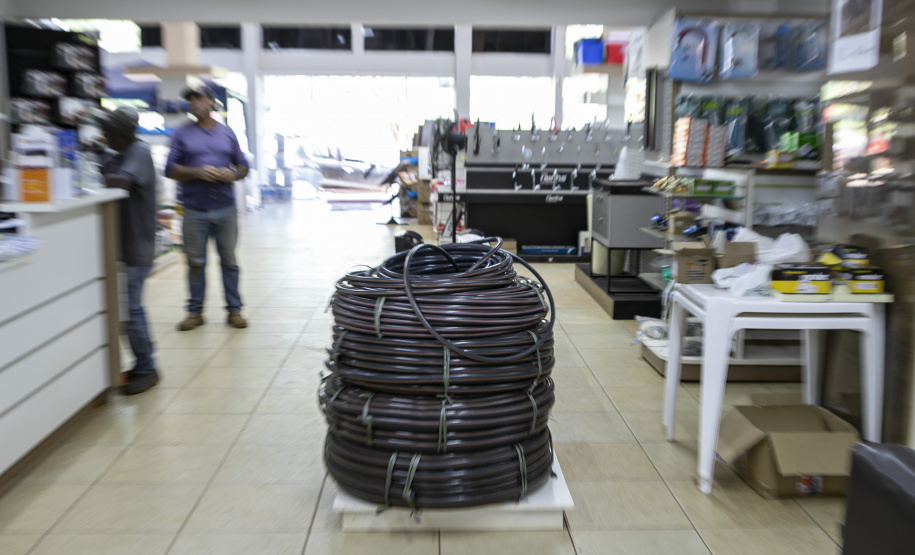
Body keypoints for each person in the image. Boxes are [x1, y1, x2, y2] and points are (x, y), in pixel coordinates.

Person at [166, 85, 249, 331]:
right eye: (190, 99)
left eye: (198, 98)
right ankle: (195, 312)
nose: (194, 103)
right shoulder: (182, 134)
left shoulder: (227, 133)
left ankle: (234, 311)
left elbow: (243, 166)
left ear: (212, 102)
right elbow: (170, 169)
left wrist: (232, 175)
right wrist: (196, 171)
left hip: (225, 208)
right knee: (195, 262)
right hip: (194, 209)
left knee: (229, 261)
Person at [101, 107, 159, 395]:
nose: (104, 137)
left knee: (131, 310)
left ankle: (147, 368)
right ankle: (142, 365)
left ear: (120, 133)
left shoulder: (139, 151)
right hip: (123, 247)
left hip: (137, 247)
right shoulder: (119, 154)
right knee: (127, 310)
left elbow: (123, 181)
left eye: (108, 133)